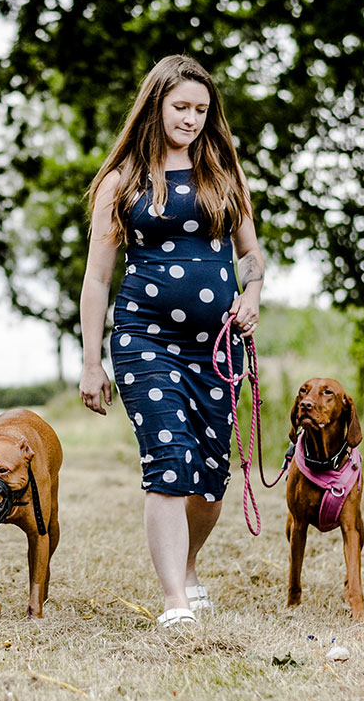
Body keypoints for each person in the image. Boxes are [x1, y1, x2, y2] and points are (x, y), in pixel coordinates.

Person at [78, 55, 264, 629]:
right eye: (180, 107)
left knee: (209, 480)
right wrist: (91, 363)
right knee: (168, 463)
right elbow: (97, 278)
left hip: (217, 347)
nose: (191, 119)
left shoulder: (225, 175)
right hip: (144, 341)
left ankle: (185, 568)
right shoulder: (123, 181)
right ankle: (174, 603)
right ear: (155, 105)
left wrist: (252, 294)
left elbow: (251, 257)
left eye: (202, 110)